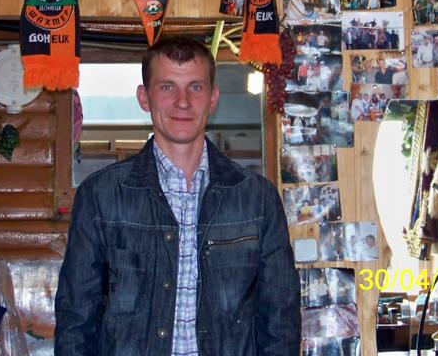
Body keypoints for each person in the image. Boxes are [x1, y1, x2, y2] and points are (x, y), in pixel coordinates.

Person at [54, 36, 300, 354]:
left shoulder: (257, 199)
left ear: (213, 98)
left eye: (195, 87)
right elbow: (75, 321)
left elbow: (281, 322)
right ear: (144, 98)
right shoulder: (100, 196)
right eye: (167, 87)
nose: (183, 102)